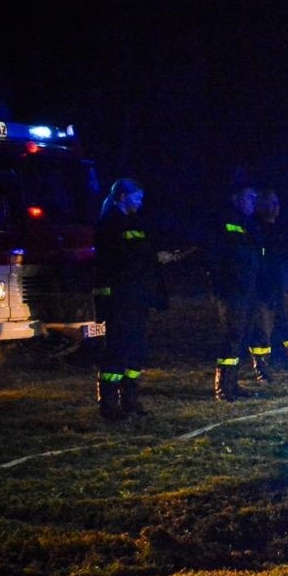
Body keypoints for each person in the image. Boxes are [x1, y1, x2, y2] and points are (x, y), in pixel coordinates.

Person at [93, 178, 179, 420]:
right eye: (137, 197)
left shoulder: (136, 223)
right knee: (117, 350)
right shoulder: (108, 225)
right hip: (120, 298)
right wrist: (153, 258)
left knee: (137, 350)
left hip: (138, 297)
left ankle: (130, 401)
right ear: (122, 196)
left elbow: (141, 254)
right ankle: (109, 405)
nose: (141, 202)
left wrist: (157, 258)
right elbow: (119, 260)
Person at [247, 188, 288, 382]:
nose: (274, 207)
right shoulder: (254, 230)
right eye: (270, 203)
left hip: (283, 288)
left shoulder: (283, 230)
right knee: (262, 332)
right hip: (262, 289)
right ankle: (262, 371)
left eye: (276, 203)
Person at [206, 179, 264, 402]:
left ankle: (233, 383)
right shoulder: (223, 222)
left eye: (255, 198)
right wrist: (219, 288)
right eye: (249, 197)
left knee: (242, 336)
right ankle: (223, 387)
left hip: (249, 291)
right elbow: (215, 258)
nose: (253, 202)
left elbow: (257, 259)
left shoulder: (251, 225)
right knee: (232, 336)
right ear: (235, 198)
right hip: (232, 291)